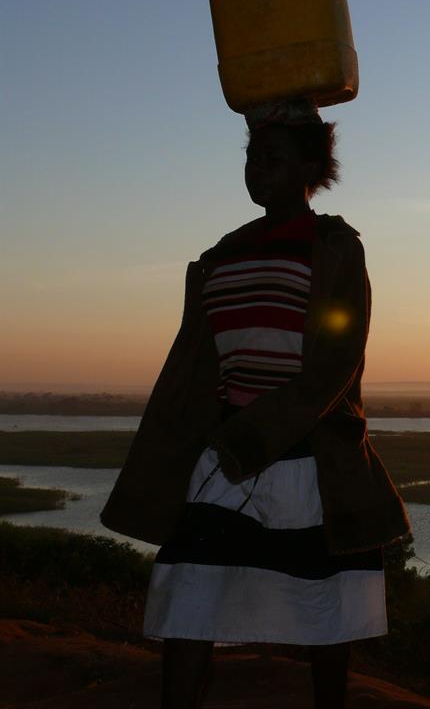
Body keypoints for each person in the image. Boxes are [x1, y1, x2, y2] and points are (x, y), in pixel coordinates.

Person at [101, 107, 411, 709]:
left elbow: (336, 362)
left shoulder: (334, 246)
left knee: (327, 606)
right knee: (190, 588)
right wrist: (182, 448)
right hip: (224, 454)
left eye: (272, 159)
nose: (256, 170)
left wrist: (260, 435)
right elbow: (193, 364)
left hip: (309, 454)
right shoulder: (222, 253)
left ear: (310, 167)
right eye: (251, 157)